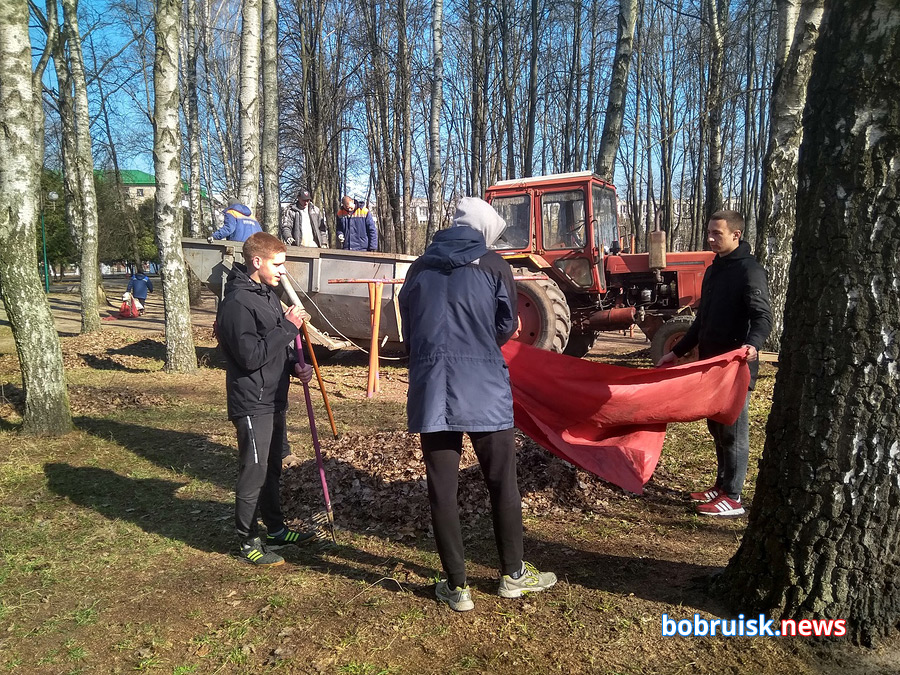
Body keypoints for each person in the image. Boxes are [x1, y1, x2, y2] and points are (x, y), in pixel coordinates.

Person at [398, 197, 557, 612]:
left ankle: (458, 586)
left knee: (442, 490)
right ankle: (513, 576)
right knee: (502, 482)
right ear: (485, 230)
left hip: (433, 388)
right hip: (485, 387)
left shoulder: (418, 268)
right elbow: (505, 324)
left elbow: (408, 329)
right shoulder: (494, 265)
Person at [656, 210, 772, 517]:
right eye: (708, 232)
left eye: (716, 234)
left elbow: (763, 317)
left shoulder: (750, 271)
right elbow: (701, 322)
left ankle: (732, 497)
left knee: (733, 430)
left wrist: (753, 345)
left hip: (736, 367)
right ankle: (721, 486)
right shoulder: (713, 270)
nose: (710, 238)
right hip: (710, 367)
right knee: (716, 427)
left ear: (736, 235)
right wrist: (677, 352)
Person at [216, 232, 317, 566]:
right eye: (278, 264)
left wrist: (294, 367)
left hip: (274, 396)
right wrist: (289, 327)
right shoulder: (237, 303)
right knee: (254, 471)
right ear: (256, 262)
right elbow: (249, 356)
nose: (283, 272)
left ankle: (275, 528)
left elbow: (272, 349)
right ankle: (247, 540)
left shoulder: (267, 295)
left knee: (273, 466)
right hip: (252, 401)